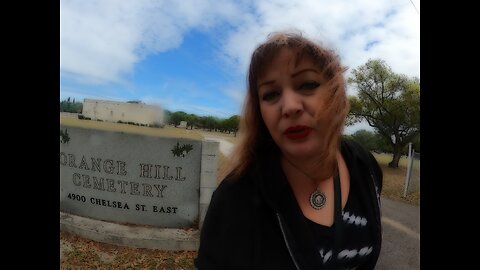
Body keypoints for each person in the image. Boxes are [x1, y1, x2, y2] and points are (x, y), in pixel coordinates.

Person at [194, 31, 383, 270]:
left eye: (307, 85)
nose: (290, 107)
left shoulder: (365, 167)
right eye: (271, 94)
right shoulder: (235, 198)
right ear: (259, 112)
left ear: (335, 94)